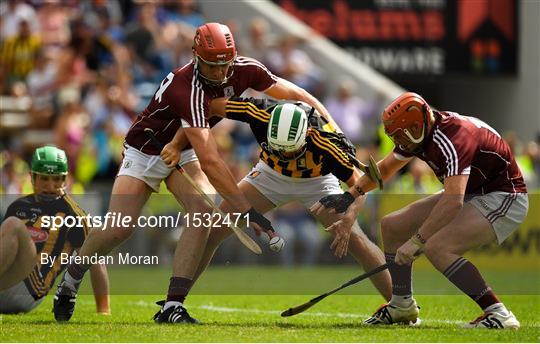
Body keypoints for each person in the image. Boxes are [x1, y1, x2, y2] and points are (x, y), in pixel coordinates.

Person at [54, 22, 335, 324]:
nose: (219, 72)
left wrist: (332, 129)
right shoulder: (185, 87)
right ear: (195, 56)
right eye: (211, 65)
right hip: (146, 148)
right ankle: (72, 276)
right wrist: (248, 211)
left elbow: (296, 93)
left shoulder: (246, 68)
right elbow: (211, 161)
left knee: (202, 211)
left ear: (234, 56)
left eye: (224, 64)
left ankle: (172, 306)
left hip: (183, 148)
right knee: (119, 228)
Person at [312, 92, 528, 329]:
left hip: (504, 196)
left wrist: (416, 241)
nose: (399, 142)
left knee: (438, 248)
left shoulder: (454, 139)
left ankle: (498, 313)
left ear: (416, 126)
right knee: (392, 226)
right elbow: (384, 169)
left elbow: (453, 202)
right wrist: (348, 196)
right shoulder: (419, 133)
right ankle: (401, 305)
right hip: (470, 191)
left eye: (401, 136)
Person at [179, 98, 391, 300]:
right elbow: (204, 106)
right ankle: (175, 300)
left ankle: (400, 303)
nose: (285, 156)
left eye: (290, 151)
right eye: (278, 149)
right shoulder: (257, 112)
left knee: (358, 242)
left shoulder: (328, 142)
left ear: (306, 135)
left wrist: (348, 220)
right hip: (270, 175)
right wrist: (175, 140)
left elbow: (360, 184)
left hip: (317, 182)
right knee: (214, 229)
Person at [0, 146, 109, 315]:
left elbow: (95, 261)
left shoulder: (74, 214)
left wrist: (103, 310)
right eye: (44, 178)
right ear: (32, 177)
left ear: (65, 179)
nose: (50, 186)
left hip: (29, 290)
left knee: (13, 225)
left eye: (56, 179)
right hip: (6, 281)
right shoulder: (19, 206)